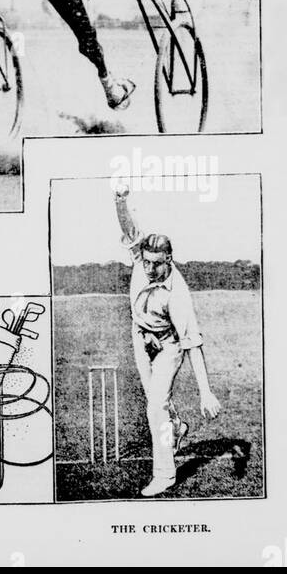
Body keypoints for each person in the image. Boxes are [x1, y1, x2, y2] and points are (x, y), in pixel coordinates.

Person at [113, 184, 222, 497]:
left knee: (155, 408)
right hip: (140, 337)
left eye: (155, 263)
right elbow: (129, 227)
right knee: (155, 399)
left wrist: (205, 392)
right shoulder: (142, 260)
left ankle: (164, 475)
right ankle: (176, 427)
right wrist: (119, 200)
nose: (148, 268)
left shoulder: (178, 294)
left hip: (168, 346)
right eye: (145, 261)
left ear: (169, 259)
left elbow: (192, 345)